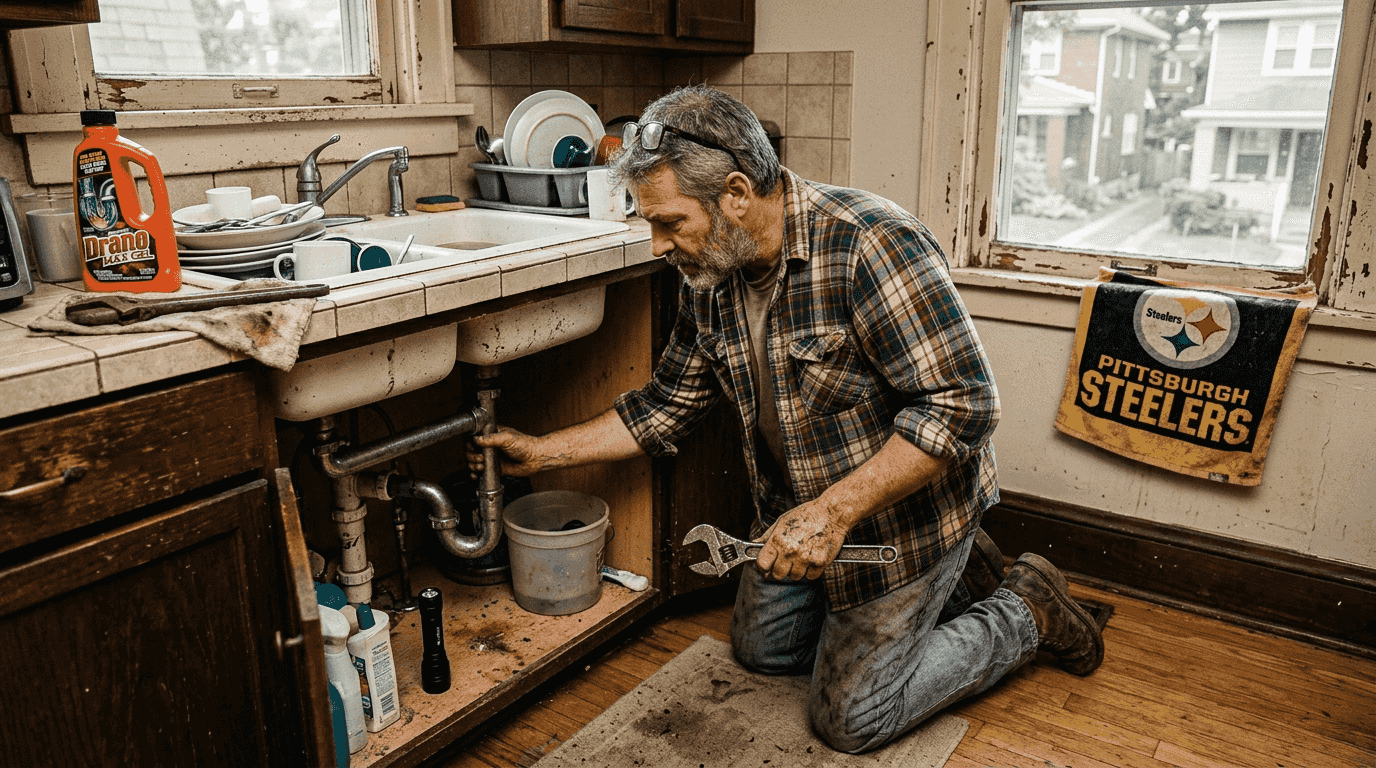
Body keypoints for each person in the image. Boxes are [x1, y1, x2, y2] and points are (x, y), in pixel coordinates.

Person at [469, 85, 1103, 753]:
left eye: (669, 223)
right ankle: (946, 587)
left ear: (736, 194)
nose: (656, 245)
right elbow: (667, 405)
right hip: (793, 509)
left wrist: (833, 514)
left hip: (901, 519)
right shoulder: (710, 272)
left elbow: (964, 404)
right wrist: (542, 453)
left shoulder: (870, 243)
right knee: (762, 652)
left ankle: (1023, 606)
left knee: (853, 720)